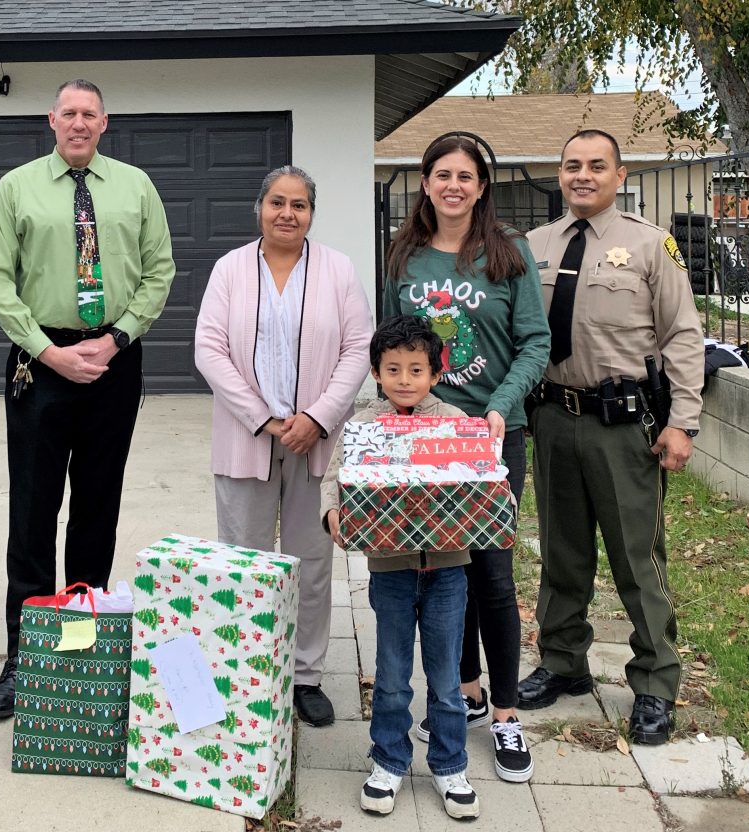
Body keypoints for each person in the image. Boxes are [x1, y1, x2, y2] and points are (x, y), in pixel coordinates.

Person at [0, 79, 175, 719]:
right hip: (42, 359)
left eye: (90, 113)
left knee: (97, 504)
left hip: (114, 358)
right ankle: (24, 654)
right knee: (33, 508)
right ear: (52, 120)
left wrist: (116, 339)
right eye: (69, 113)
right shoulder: (16, 187)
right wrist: (48, 350)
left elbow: (158, 271)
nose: (79, 123)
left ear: (105, 122)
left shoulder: (136, 187)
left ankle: (79, 640)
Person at [522, 129, 703, 744]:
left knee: (636, 556)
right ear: (559, 172)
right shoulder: (534, 246)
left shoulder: (652, 246)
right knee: (562, 550)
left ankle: (654, 682)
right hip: (551, 417)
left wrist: (682, 421)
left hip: (624, 425)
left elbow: (682, 336)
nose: (583, 176)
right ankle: (562, 661)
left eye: (597, 166)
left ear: (619, 175)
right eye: (572, 165)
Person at [383, 136, 549, 782]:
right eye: (442, 174)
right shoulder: (406, 256)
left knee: (495, 576)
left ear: (482, 186)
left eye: (466, 176)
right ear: (426, 183)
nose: (454, 185)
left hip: (492, 434)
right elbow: (392, 342)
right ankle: (468, 690)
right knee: (445, 569)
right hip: (428, 438)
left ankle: (506, 715)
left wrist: (500, 407)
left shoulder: (509, 252)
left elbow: (535, 342)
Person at [195, 165, 372, 727]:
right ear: (260, 208)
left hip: (313, 443)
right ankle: (244, 666)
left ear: (311, 214)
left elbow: (357, 349)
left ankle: (305, 674)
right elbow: (209, 349)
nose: (287, 213)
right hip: (248, 437)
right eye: (277, 202)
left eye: (299, 204)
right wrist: (265, 418)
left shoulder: (338, 271)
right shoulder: (229, 270)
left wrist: (317, 419)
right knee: (242, 558)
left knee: (310, 562)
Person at [320, 316, 479, 820]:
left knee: (447, 677)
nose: (405, 379)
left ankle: (450, 764)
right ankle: (388, 760)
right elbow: (335, 476)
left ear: (436, 372)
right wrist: (333, 513)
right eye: (393, 369)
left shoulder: (454, 422)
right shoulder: (363, 426)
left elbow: (479, 480)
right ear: (375, 372)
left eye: (416, 369)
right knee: (390, 674)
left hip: (449, 570)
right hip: (389, 569)